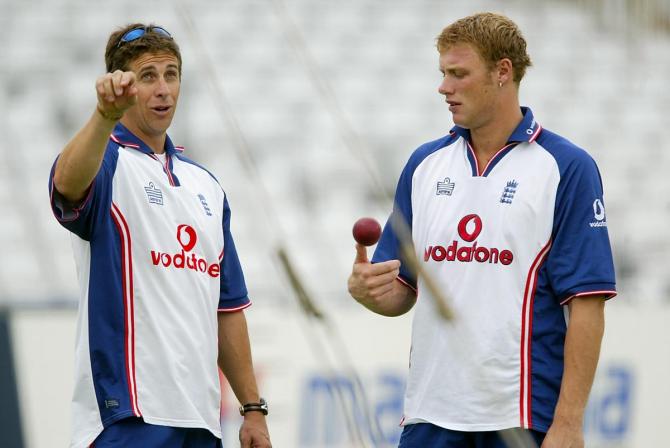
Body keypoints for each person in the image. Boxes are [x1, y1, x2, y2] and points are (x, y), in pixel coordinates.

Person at [348, 12, 616, 448]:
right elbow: (401, 291)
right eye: (442, 74)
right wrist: (367, 291)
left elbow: (587, 305)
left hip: (522, 416)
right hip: (428, 416)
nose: (444, 87)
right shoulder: (423, 165)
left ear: (502, 72)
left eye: (458, 74)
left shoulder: (566, 167)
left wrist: (569, 423)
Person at [49, 23, 271, 448]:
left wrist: (252, 408)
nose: (163, 89)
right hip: (127, 415)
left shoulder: (206, 185)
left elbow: (227, 307)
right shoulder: (106, 160)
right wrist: (103, 116)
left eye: (171, 74)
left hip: (201, 419)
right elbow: (67, 185)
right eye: (148, 76)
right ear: (124, 85)